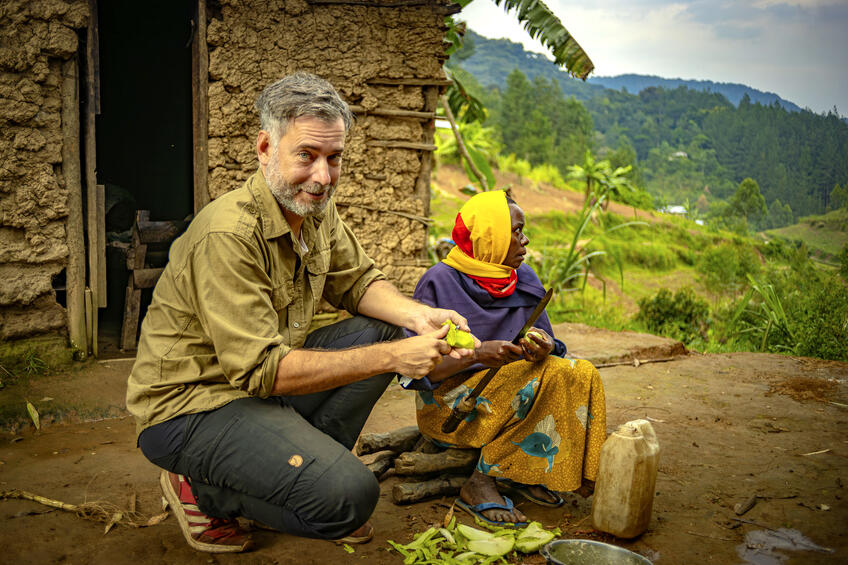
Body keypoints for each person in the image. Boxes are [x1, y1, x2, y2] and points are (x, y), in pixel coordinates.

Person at [125, 72, 475, 554]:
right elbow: (262, 369)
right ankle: (203, 492)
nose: (323, 177)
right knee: (350, 498)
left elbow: (357, 281)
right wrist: (395, 358)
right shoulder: (229, 235)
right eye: (306, 155)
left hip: (258, 390)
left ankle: (294, 475)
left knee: (389, 327)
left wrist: (418, 317)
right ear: (265, 148)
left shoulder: (314, 210)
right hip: (191, 408)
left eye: (334, 158)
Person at [404, 190, 607, 526]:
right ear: (490, 236)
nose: (525, 240)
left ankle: (532, 471)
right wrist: (478, 354)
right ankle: (480, 482)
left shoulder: (523, 278)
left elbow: (553, 346)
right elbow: (418, 369)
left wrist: (544, 345)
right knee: (543, 377)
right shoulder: (439, 281)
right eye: (516, 231)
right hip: (451, 406)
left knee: (580, 372)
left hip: (511, 388)